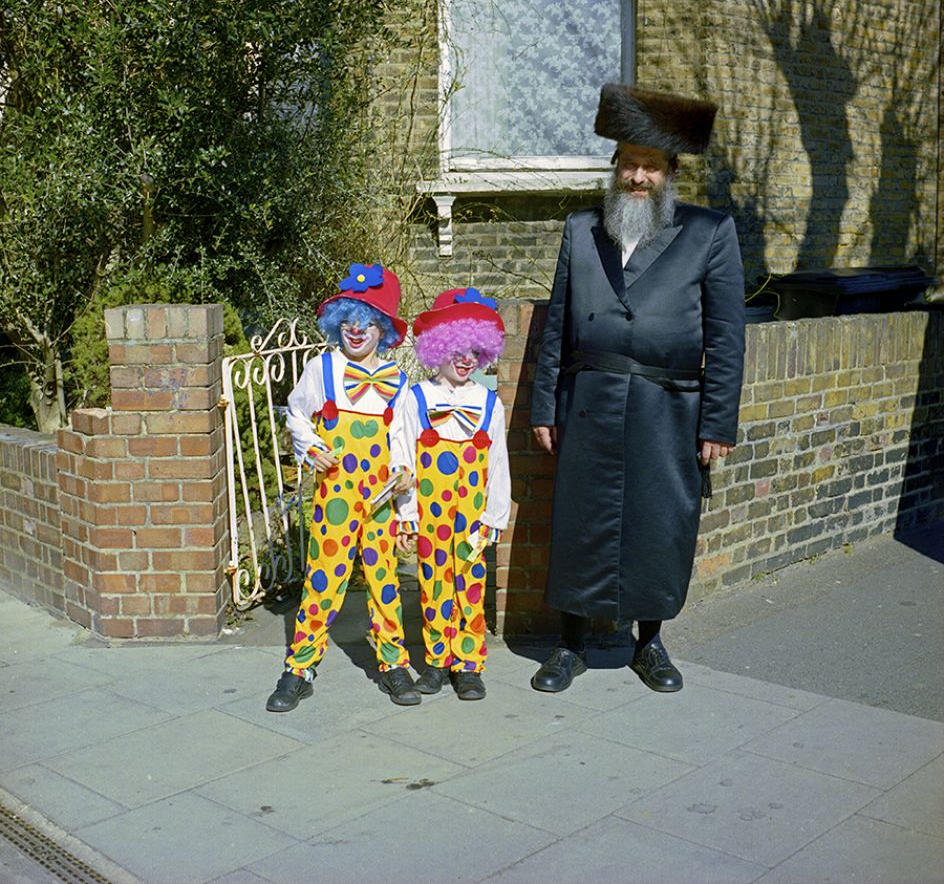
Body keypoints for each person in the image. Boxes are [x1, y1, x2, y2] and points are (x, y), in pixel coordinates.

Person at [529, 84, 746, 694]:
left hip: (669, 407)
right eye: (629, 163)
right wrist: (545, 404)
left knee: (660, 523)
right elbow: (557, 326)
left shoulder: (709, 232)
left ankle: (648, 643)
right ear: (615, 166)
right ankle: (569, 644)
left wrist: (716, 423)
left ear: (670, 172)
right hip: (589, 401)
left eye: (651, 166)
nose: (638, 177)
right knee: (580, 521)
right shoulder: (581, 230)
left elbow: (728, 337)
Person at [266, 263, 421, 712]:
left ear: (384, 331)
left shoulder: (398, 383)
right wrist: (311, 447)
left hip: (380, 502)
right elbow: (296, 413)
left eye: (368, 323)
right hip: (334, 496)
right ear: (339, 324)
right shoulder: (323, 369)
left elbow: (404, 442)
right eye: (350, 321)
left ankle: (393, 663)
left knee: (384, 581)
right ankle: (300, 667)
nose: (356, 331)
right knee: (322, 580)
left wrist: (405, 478)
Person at [391, 288, 511, 701]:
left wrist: (494, 519)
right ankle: (437, 660)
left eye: (475, 352)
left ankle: (469, 664)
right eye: (458, 349)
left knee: (470, 581)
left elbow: (498, 465)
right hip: (432, 508)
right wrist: (407, 513)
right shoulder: (417, 398)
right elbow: (402, 455)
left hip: (472, 512)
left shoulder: (488, 402)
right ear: (438, 347)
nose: (466, 360)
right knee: (434, 581)